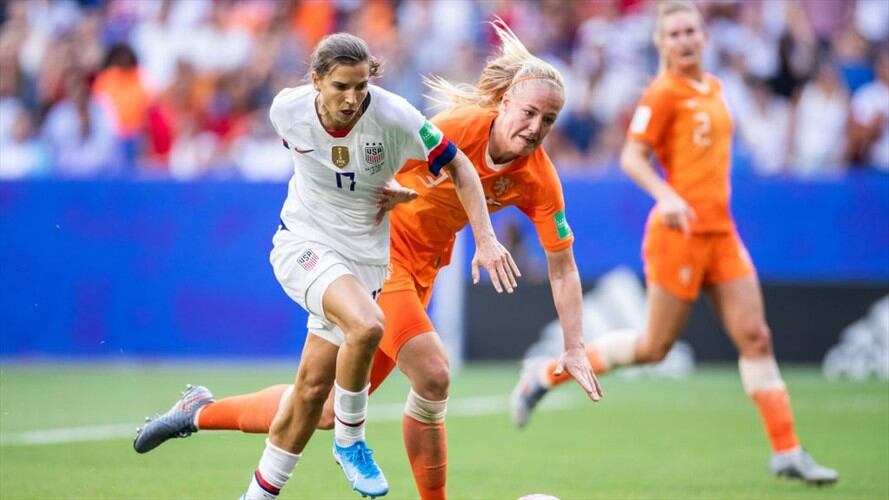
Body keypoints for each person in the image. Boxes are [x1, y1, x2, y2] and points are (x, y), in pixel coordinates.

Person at [132, 20, 602, 500]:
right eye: (529, 113)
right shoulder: (459, 129)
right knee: (434, 373)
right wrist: (415, 202)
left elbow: (562, 266)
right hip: (381, 259)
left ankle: (197, 411)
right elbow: (380, 151)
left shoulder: (538, 178)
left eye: (548, 120)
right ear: (504, 103)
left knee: (325, 408)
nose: (535, 128)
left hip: (421, 275)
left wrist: (574, 345)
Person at [510, 1, 838, 486]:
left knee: (757, 337)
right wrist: (666, 195)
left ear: (703, 38)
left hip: (721, 234)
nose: (685, 39)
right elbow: (633, 157)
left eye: (691, 31)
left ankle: (786, 450)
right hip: (678, 236)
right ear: (662, 43)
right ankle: (543, 376)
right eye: (675, 33)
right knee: (653, 347)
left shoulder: (716, 88)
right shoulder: (662, 94)